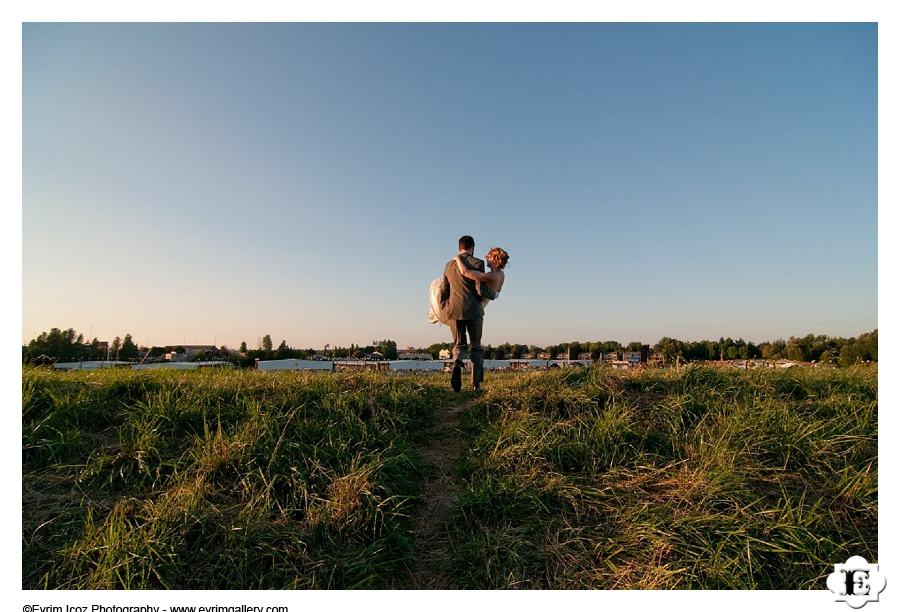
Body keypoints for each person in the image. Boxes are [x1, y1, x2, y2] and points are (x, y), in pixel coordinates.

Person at [439, 235, 499, 392]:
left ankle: (457, 364)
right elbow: (480, 288)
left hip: (453, 310)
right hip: (473, 310)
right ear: (473, 248)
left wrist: (445, 306)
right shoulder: (477, 263)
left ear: (459, 248)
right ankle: (475, 384)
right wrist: (492, 295)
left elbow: (443, 289)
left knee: (459, 344)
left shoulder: (448, 265)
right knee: (476, 346)